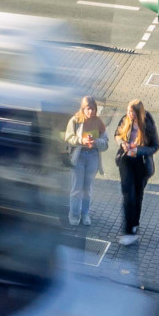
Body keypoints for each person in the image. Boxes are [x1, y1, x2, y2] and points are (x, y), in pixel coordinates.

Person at [112, 99, 159, 246]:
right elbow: (117, 135)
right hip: (126, 161)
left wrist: (138, 150)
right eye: (127, 111)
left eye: (131, 112)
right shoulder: (125, 120)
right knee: (128, 195)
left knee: (137, 195)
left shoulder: (148, 124)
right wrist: (123, 143)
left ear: (138, 113)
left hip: (141, 163)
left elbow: (155, 146)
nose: (128, 114)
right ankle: (128, 231)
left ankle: (134, 225)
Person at [63, 96, 107, 226]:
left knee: (87, 189)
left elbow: (105, 144)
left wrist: (96, 142)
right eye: (88, 109)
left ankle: (85, 213)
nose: (91, 112)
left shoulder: (99, 122)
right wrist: (81, 140)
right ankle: (74, 214)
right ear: (83, 109)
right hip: (79, 156)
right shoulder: (75, 120)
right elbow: (68, 137)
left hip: (93, 156)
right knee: (76, 188)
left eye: (93, 109)